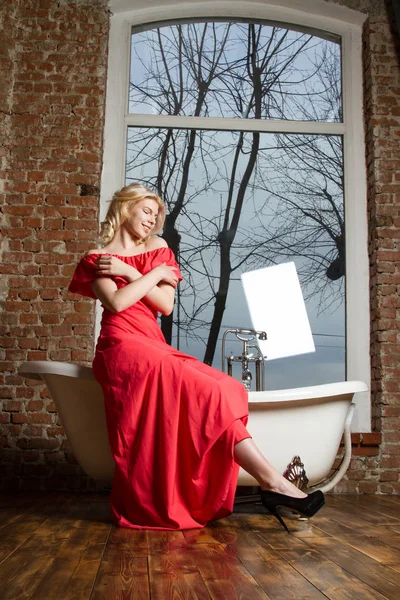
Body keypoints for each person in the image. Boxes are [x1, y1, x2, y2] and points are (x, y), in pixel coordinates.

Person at [68, 183, 324, 532]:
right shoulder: (97, 257)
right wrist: (152, 276)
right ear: (125, 206)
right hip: (121, 348)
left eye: (156, 215)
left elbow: (165, 304)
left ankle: (273, 484)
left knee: (223, 390)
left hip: (153, 343)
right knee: (208, 393)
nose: (152, 219)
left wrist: (135, 273)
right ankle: (275, 484)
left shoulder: (158, 248)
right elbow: (116, 303)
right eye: (146, 211)